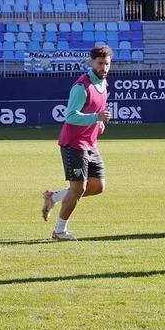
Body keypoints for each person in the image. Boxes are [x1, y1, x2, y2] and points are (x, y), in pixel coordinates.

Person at [41, 44, 112, 240]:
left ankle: (52, 197)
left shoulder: (103, 84)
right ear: (91, 62)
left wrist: (98, 125)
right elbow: (71, 116)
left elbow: (95, 110)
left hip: (90, 143)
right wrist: (95, 118)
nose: (104, 68)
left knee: (98, 186)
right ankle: (59, 231)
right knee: (79, 188)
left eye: (107, 64)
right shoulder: (82, 86)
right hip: (74, 144)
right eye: (100, 64)